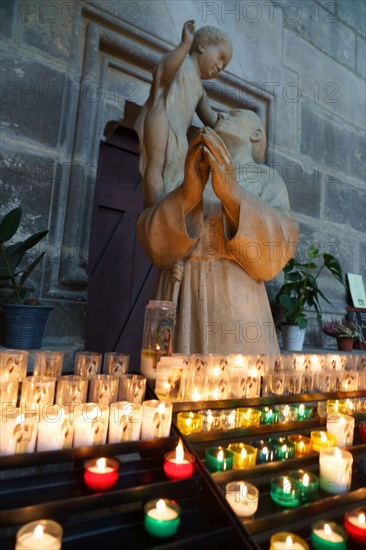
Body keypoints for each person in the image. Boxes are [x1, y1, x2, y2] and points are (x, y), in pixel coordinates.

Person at [136, 109, 299, 355]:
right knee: (170, 386)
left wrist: (232, 194)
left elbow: (278, 250)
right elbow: (154, 245)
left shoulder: (267, 179)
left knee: (236, 388)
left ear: (256, 134)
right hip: (179, 298)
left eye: (234, 114)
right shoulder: (184, 171)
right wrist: (188, 194)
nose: (222, 114)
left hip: (235, 307)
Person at [135, 20, 232, 207]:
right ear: (202, 46)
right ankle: (156, 207)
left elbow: (210, 118)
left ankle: (162, 205)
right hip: (163, 117)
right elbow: (163, 73)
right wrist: (185, 44)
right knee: (157, 163)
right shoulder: (182, 63)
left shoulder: (200, 90)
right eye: (220, 57)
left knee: (174, 170)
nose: (220, 67)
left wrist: (223, 120)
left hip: (179, 133)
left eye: (224, 66)